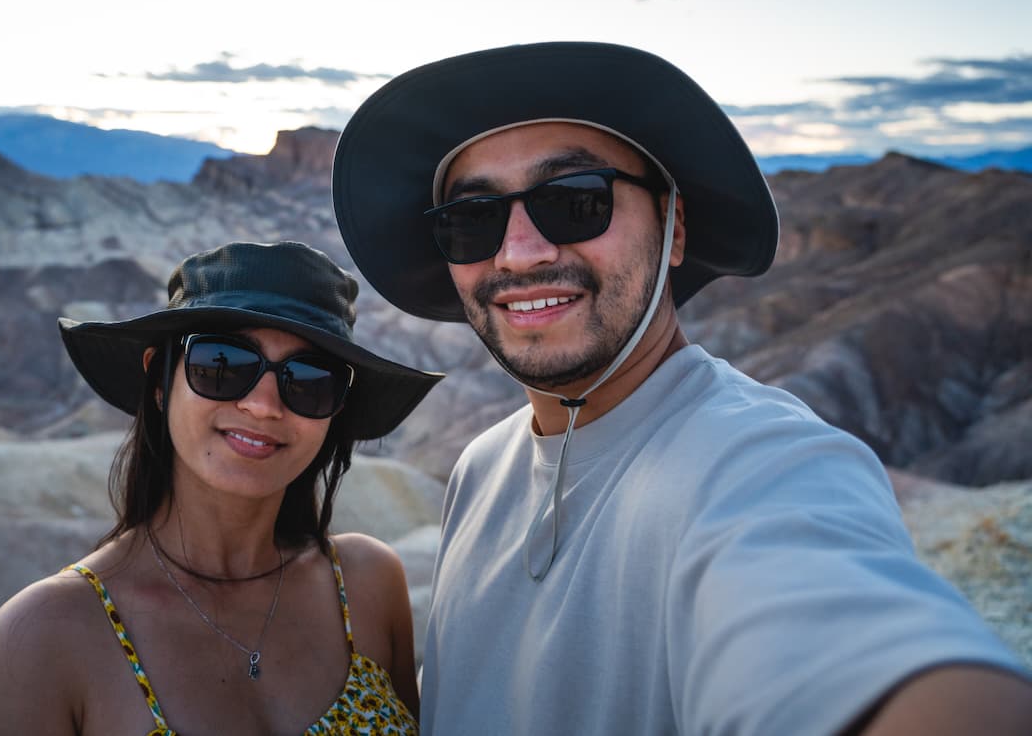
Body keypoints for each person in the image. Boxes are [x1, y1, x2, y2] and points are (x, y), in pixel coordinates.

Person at [330, 42, 1032, 735]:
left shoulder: (762, 464)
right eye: (471, 219)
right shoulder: (482, 468)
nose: (520, 252)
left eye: (576, 202)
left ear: (674, 229)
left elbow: (853, 648)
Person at [0, 241, 442, 735]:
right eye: (223, 362)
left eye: (309, 378)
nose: (263, 405)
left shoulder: (369, 586)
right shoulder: (42, 637)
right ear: (158, 379)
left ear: (336, 409)